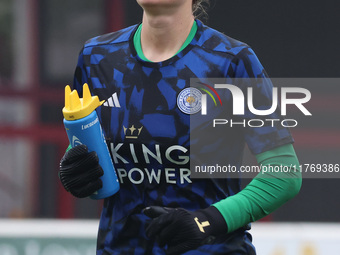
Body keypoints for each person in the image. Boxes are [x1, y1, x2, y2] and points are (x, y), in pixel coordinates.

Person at [59, 0, 302, 254]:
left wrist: (206, 221)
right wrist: (73, 171)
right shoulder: (96, 56)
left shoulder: (232, 61)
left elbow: (284, 174)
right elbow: (84, 154)